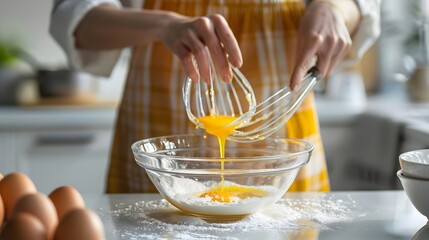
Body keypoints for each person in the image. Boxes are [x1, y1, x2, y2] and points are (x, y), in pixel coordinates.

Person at [50, 0, 381, 193]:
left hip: (280, 125)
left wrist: (335, 7)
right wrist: (164, 25)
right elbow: (78, 19)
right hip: (160, 121)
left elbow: (360, 6)